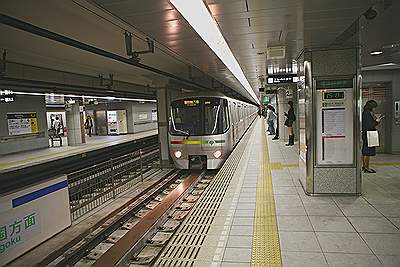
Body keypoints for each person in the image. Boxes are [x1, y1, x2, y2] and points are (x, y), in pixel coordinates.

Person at [362, 100, 381, 173]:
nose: (374, 109)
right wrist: (376, 122)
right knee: (367, 152)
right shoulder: (367, 114)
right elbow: (369, 125)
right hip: (368, 134)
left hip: (366, 134)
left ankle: (364, 166)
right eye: (374, 107)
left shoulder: (365, 113)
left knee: (365, 151)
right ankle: (367, 168)